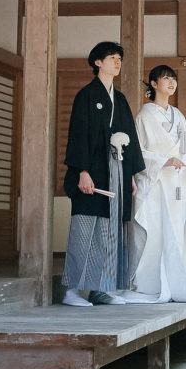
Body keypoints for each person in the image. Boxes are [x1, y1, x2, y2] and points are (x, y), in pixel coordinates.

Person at [61, 41, 143, 307]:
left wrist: (130, 176)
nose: (117, 62)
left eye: (119, 58)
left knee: (110, 231)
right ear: (97, 62)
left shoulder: (120, 99)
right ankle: (72, 291)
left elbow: (130, 137)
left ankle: (101, 289)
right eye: (112, 57)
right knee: (85, 229)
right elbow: (78, 135)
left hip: (117, 172)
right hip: (93, 171)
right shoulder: (86, 95)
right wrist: (82, 171)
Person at [120, 65, 186, 303]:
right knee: (151, 232)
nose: (172, 83)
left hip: (176, 183)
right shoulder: (144, 114)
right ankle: (146, 284)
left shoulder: (179, 116)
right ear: (154, 84)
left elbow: (184, 152)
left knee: (176, 231)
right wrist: (162, 161)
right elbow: (138, 152)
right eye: (166, 78)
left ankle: (172, 280)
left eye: (174, 79)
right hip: (155, 183)